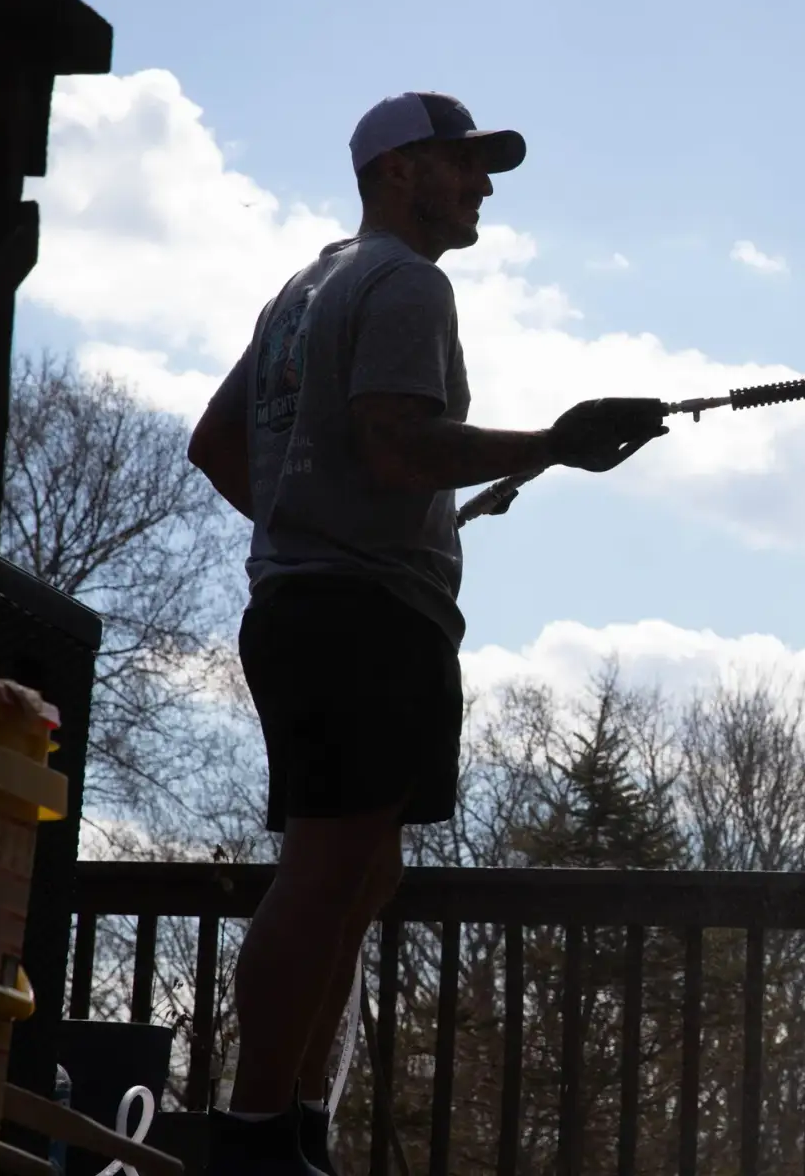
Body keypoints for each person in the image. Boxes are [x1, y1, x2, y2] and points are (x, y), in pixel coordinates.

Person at [186, 91, 667, 1176]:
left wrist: (309, 524)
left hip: (316, 606)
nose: (483, 186)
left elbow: (217, 444)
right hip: (362, 615)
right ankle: (254, 1135)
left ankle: (295, 1124)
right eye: (464, 164)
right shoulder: (406, 281)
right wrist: (552, 441)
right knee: (327, 866)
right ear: (399, 169)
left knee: (363, 871)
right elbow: (400, 447)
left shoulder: (305, 288)